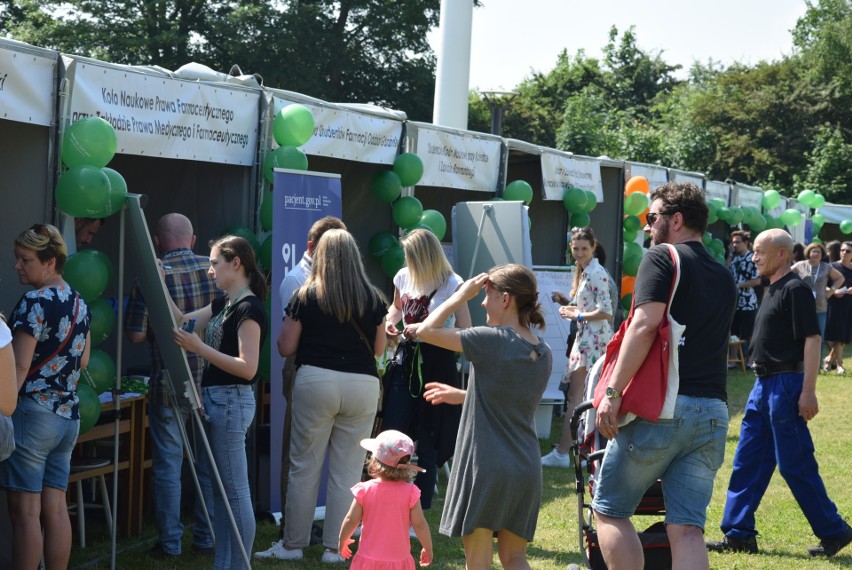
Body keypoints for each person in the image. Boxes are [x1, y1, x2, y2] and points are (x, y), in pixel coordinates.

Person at [593, 182, 736, 570]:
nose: (647, 226)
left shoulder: (662, 258)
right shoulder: (725, 276)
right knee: (687, 529)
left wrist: (613, 390)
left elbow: (643, 325)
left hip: (665, 409)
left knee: (609, 511)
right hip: (713, 412)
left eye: (652, 217)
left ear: (675, 220)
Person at [707, 229, 852, 558]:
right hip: (761, 386)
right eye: (754, 251)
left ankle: (835, 530)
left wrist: (809, 392)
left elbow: (812, 340)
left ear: (782, 254)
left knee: (793, 463)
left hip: (786, 384)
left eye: (760, 252)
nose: (754, 257)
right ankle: (738, 532)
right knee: (747, 460)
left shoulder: (795, 290)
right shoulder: (772, 287)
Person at [417, 264, 552, 569]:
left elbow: (426, 331)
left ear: (505, 299)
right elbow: (513, 403)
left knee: (478, 561)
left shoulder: (489, 339)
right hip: (525, 470)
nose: (481, 302)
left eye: (485, 295)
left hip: (486, 468)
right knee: (515, 558)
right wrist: (464, 395)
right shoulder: (541, 350)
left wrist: (459, 296)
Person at [276, 229, 387, 563]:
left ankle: (293, 545)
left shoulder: (305, 295)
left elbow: (286, 346)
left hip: (316, 381)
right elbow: (379, 349)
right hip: (363, 385)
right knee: (348, 471)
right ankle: (336, 550)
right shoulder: (374, 298)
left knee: (304, 466)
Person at [168, 235, 268, 569]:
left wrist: (201, 349)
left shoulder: (248, 307)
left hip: (231, 402)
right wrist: (160, 284)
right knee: (224, 495)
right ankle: (225, 564)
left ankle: (238, 565)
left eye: (214, 263)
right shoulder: (224, 303)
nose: (210, 271)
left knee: (235, 493)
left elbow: (248, 367)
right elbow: (182, 322)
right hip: (220, 402)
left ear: (235, 263)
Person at [125, 213, 218, 559]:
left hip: (169, 380)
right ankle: (207, 538)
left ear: (158, 241)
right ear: (193, 239)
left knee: (168, 464)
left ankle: (170, 543)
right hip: (212, 378)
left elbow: (135, 334)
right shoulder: (217, 268)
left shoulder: (152, 275)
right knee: (209, 463)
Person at [1, 223, 91, 569]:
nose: (17, 266)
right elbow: (82, 360)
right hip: (68, 418)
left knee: (25, 513)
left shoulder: (34, 302)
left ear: (50, 262)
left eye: (25, 260)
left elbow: (19, 368)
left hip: (33, 415)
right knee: (55, 508)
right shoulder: (80, 303)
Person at [257, 215, 347, 560]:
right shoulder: (296, 279)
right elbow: (288, 341)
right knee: (298, 450)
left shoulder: (333, 278)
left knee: (325, 453)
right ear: (313, 247)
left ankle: (311, 528)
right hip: (303, 366)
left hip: (327, 369)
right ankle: (292, 528)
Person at [382, 228, 471, 509]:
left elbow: (464, 330)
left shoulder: (453, 283)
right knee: (394, 430)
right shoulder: (403, 276)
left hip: (438, 363)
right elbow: (396, 307)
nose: (408, 261)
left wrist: (432, 332)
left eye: (412, 255)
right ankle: (388, 502)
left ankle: (418, 507)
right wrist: (390, 322)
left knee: (430, 437)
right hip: (405, 360)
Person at [542, 226, 612, 468]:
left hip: (593, 341)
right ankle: (576, 451)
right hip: (587, 339)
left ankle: (566, 452)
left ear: (593, 247)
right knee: (578, 396)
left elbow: (606, 312)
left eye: (584, 248)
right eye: (576, 248)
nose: (580, 253)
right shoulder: (585, 272)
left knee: (578, 398)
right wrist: (573, 310)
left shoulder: (596, 273)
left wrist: (578, 316)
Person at [338, 429, 433, 569]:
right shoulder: (411, 492)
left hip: (368, 561)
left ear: (375, 461)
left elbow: (351, 519)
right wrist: (428, 548)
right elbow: (420, 524)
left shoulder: (364, 490)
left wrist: (342, 539)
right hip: (399, 562)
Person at [791, 242, 844, 341]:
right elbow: (787, 275)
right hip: (803, 306)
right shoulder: (800, 265)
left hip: (820, 306)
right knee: (802, 335)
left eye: (818, 252)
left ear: (822, 254)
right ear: (809, 252)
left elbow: (840, 278)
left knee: (819, 336)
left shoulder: (826, 267)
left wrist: (831, 291)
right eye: (813, 251)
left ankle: (818, 356)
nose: (816, 254)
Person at [729, 230, 761, 358]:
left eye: (738, 242)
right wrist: (730, 254)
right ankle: (733, 359)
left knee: (749, 332)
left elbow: (757, 280)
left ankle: (751, 359)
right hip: (735, 301)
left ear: (746, 242)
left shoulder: (753, 259)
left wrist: (738, 286)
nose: (735, 245)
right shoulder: (735, 259)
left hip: (748, 302)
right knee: (734, 331)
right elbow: (727, 272)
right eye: (733, 242)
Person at [824, 241, 852, 374]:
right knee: (838, 334)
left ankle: (829, 359)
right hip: (835, 304)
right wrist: (834, 292)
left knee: (844, 335)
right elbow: (822, 284)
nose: (844, 253)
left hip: (849, 304)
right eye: (842, 250)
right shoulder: (832, 267)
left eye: (848, 251)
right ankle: (839, 365)